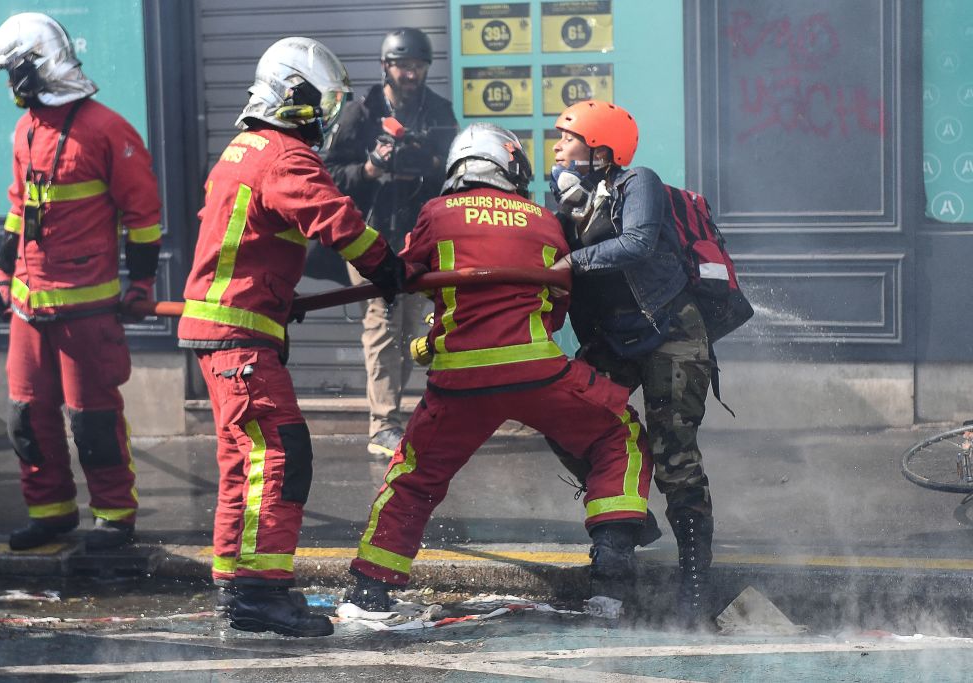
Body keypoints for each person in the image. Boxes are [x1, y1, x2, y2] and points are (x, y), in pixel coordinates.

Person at [345, 123, 655, 618]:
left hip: (458, 384)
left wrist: (435, 338)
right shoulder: (543, 220)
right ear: (512, 166)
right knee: (620, 435)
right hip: (537, 373)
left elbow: (407, 276)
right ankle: (612, 582)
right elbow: (554, 311)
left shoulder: (435, 213)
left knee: (414, 476)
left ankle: (368, 592)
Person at [177, 37, 411, 638]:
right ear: (295, 98)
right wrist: (388, 267)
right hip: (240, 336)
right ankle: (262, 593)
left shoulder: (240, 151)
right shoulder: (284, 155)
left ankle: (236, 584)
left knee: (242, 462)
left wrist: (279, 300)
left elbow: (251, 243)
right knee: (281, 455)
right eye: (320, 106)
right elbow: (334, 218)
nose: (325, 120)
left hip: (225, 330)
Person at [0, 12, 162, 552]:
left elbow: (144, 215)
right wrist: (1, 273)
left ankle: (113, 518)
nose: (10, 84)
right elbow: (19, 211)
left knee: (94, 420)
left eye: (12, 71)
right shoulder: (26, 128)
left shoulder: (108, 129)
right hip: (28, 305)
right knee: (26, 418)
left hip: (86, 311)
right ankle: (51, 513)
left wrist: (143, 284)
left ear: (36, 69)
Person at [548, 100, 716, 627]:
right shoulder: (565, 209)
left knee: (675, 456)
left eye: (566, 138)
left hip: (669, 329)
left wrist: (573, 259)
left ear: (599, 148)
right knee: (565, 415)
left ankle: (694, 584)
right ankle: (633, 517)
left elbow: (639, 243)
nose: (556, 147)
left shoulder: (636, 181)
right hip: (613, 339)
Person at [323, 27, 458, 457]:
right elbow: (329, 177)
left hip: (418, 235)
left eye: (418, 65)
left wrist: (430, 161)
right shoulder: (360, 112)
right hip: (370, 233)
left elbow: (454, 174)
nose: (411, 73)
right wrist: (368, 170)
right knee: (382, 323)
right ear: (386, 66)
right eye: (403, 65)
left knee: (411, 327)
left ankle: (398, 416)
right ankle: (383, 424)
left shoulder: (439, 111)